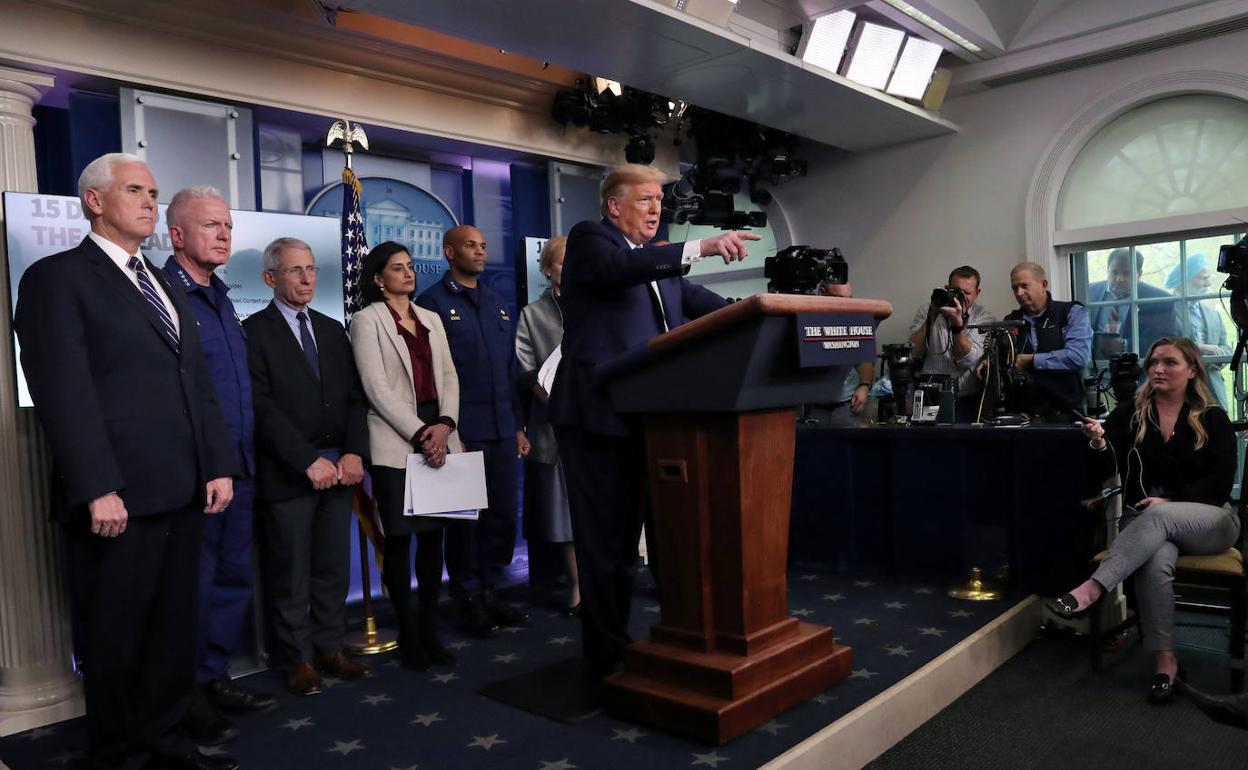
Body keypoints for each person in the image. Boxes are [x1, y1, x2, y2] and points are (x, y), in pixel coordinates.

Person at [14, 153, 240, 770]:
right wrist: (97, 488)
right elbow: (64, 393)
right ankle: (117, 755)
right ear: (94, 201)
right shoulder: (56, 278)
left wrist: (216, 464)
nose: (150, 201)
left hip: (183, 489)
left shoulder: (163, 281)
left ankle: (166, 744)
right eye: (135, 190)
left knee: (172, 632)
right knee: (115, 637)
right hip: (116, 496)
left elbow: (196, 381)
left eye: (154, 192)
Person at [548, 162, 760, 678]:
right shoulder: (590, 241)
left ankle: (672, 643)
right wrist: (702, 248)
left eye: (659, 200)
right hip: (597, 421)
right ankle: (605, 659)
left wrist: (769, 310)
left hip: (655, 423)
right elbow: (619, 270)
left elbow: (713, 308)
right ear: (613, 206)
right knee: (607, 548)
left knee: (664, 540)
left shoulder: (657, 268)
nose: (655, 208)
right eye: (644, 199)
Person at [1048, 337, 1238, 703]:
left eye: (1169, 362)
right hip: (1150, 528)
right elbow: (1108, 470)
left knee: (1159, 514)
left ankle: (1092, 588)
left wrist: (1169, 502)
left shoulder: (1214, 417)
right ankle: (1166, 661)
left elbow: (1220, 484)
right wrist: (1100, 443)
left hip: (1212, 523)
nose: (1157, 369)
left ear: (1193, 370)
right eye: (1152, 362)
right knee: (1155, 559)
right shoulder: (1132, 413)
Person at [162, 186, 277, 746]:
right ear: (177, 235)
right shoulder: (162, 296)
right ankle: (182, 695)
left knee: (232, 580)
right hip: (200, 474)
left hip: (243, 466)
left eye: (227, 225)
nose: (224, 234)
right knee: (194, 587)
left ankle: (212, 677)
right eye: (211, 226)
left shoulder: (224, 298)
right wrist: (211, 464)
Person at [244, 236, 372, 696]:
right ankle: (296, 659)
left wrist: (356, 451)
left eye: (312, 269)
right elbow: (259, 407)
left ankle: (329, 647)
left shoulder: (333, 328)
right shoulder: (252, 332)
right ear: (269, 278)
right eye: (295, 270)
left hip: (340, 469)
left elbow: (357, 398)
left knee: (332, 568)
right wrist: (305, 461)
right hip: (289, 475)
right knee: (290, 572)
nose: (306, 278)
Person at [350, 241, 461, 670]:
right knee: (399, 539)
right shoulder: (367, 320)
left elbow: (450, 375)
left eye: (410, 266)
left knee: (434, 540)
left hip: (440, 434)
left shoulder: (432, 317)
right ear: (379, 279)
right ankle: (410, 635)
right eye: (397, 268)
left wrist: (445, 425)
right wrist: (420, 433)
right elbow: (375, 387)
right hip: (397, 442)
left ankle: (431, 630)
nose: (408, 273)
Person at [416, 225, 528, 638]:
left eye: (483, 246)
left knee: (500, 516)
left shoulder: (498, 303)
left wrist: (517, 425)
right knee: (466, 521)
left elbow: (511, 370)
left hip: (500, 428)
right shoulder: (432, 303)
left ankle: (491, 590)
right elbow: (432, 377)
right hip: (463, 432)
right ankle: (466, 597)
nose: (480, 252)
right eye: (470, 245)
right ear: (448, 251)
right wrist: (445, 427)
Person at [516, 236, 580, 614]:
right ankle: (576, 586)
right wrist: (551, 399)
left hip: (596, 423)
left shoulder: (599, 307)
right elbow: (524, 369)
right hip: (554, 425)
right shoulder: (533, 314)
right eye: (563, 262)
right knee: (563, 512)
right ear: (547, 269)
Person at [1003, 261, 1093, 417]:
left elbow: (1077, 357)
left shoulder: (1071, 312)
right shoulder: (1010, 321)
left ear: (1043, 285)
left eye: (1024, 286)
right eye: (1014, 288)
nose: (1019, 293)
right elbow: (1002, 363)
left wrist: (1032, 359)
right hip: (1023, 416)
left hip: (1066, 413)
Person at [907, 266, 995, 419]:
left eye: (966, 293)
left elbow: (969, 360)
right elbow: (913, 352)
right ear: (947, 288)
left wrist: (957, 324)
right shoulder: (926, 310)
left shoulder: (984, 318)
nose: (960, 297)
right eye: (955, 291)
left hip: (966, 399)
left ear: (977, 293)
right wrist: (932, 316)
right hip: (930, 396)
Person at [804, 281, 874, 426]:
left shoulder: (856, 320)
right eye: (841, 299)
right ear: (822, 292)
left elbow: (864, 359)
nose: (846, 305)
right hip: (813, 407)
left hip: (847, 406)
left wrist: (864, 386)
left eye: (850, 299)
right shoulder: (806, 319)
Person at [1166, 253, 1230, 409]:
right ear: (1184, 280)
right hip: (1180, 394)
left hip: (1213, 393)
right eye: (1203, 278)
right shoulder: (1165, 309)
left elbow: (1226, 346)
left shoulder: (1213, 313)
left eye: (1209, 278)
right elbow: (1164, 344)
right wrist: (1201, 348)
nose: (1208, 284)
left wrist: (1219, 356)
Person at [1087, 247, 1177, 356]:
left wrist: (1125, 345)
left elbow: (1167, 341)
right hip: (1093, 366)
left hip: (1135, 366)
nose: (1119, 278)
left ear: (1139, 274)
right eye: (1115, 272)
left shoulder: (1159, 300)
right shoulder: (1088, 292)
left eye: (1126, 273)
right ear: (1107, 269)